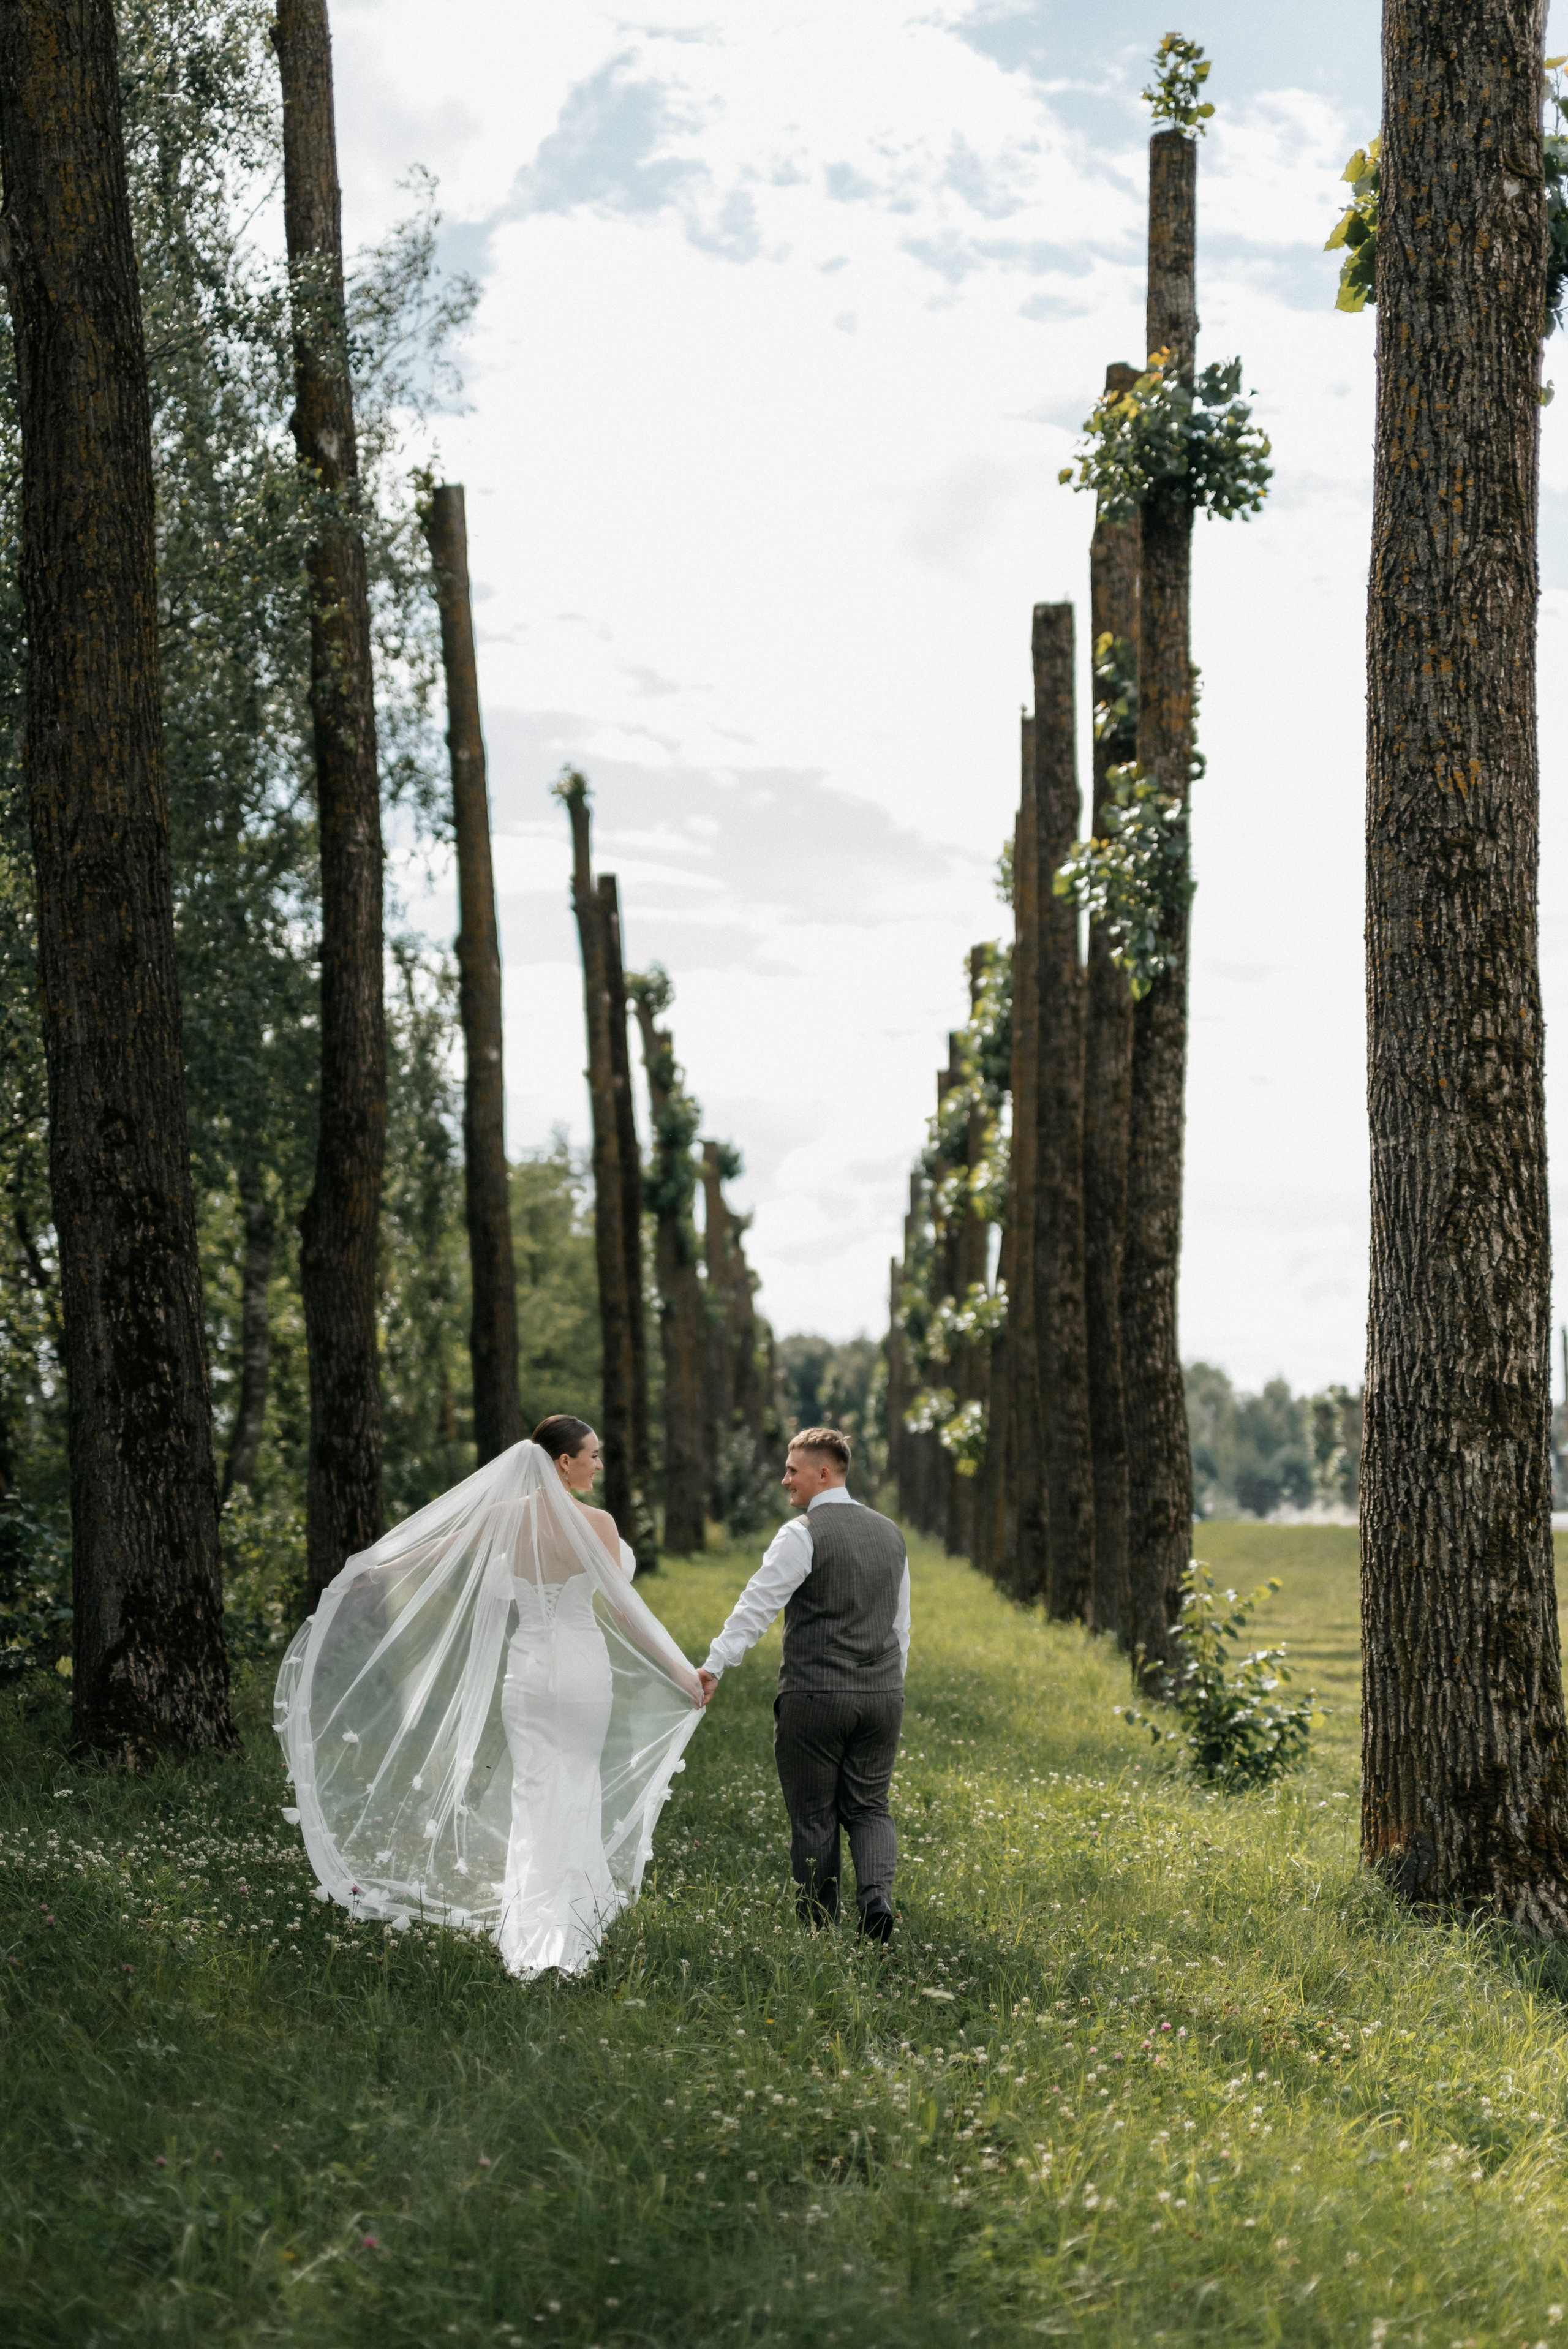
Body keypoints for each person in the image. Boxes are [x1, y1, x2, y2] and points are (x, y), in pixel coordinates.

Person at [273, 1417, 705, 1978]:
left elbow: (436, 1552)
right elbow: (626, 1612)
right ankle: (577, 1912)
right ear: (563, 1462)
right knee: (577, 1779)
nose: (599, 1464)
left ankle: (531, 1915)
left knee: (533, 1789)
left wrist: (370, 1569)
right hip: (582, 1671)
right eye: (592, 1455)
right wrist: (682, 1672)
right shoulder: (597, 1523)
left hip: (528, 1672)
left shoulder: (505, 1517)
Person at [696, 1426, 910, 1941]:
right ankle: (876, 1899)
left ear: (824, 1473)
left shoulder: (802, 1532)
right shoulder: (890, 1533)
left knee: (814, 1813)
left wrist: (715, 1664)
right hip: (882, 1697)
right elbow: (901, 1624)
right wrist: (889, 1684)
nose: (785, 1479)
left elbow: (758, 1604)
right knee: (870, 1806)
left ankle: (818, 1927)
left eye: (793, 1470)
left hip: (815, 1694)